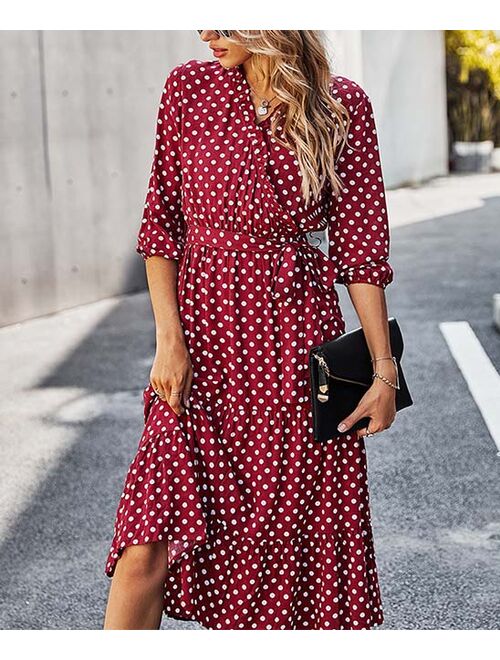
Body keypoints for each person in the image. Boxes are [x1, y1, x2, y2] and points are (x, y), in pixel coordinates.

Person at [103, 30, 397, 630]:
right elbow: (161, 224)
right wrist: (169, 341)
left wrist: (383, 371)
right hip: (201, 347)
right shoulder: (189, 88)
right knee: (144, 549)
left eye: (224, 16)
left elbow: (361, 251)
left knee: (283, 556)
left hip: (294, 346)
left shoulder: (341, 104)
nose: (207, 31)